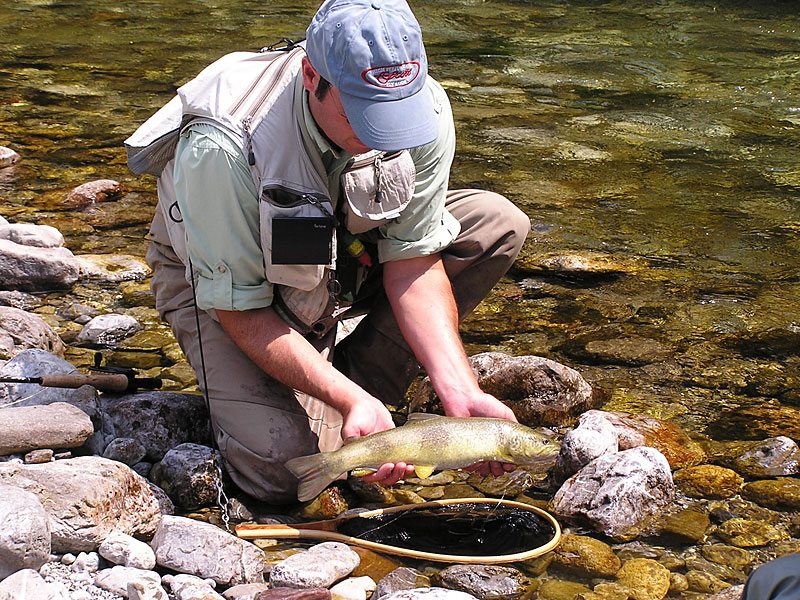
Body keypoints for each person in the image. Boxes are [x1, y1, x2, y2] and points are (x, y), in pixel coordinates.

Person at [127, 0, 530, 504]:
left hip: (340, 256)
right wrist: (343, 398)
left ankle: (363, 396)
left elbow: (413, 263)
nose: (383, 132)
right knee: (285, 474)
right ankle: (347, 399)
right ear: (310, 74)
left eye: (394, 111)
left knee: (495, 223)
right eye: (362, 111)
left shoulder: (421, 108)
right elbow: (238, 309)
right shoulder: (224, 143)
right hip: (228, 289)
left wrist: (461, 391)